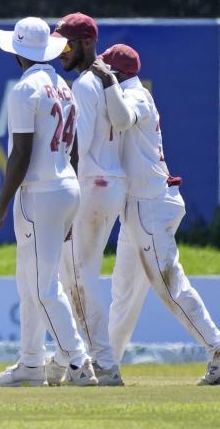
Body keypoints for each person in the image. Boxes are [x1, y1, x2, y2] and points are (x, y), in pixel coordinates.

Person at [92, 44, 220, 386]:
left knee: (168, 285)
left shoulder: (136, 95)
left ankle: (218, 348)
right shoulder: (126, 91)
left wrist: (105, 80)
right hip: (137, 206)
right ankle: (107, 364)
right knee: (124, 293)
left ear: (117, 74)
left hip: (149, 204)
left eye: (106, 69)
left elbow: (122, 118)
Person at [0, 17, 97, 387]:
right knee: (29, 280)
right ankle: (31, 364)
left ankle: (79, 363)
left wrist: (2, 205)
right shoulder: (62, 86)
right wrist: (69, 200)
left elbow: (20, 154)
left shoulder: (25, 90)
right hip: (65, 187)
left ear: (18, 52)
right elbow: (75, 149)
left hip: (41, 192)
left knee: (42, 286)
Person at [52, 13, 125, 386]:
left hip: (90, 186)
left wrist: (67, 198)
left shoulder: (83, 85)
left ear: (84, 44)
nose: (60, 51)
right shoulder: (105, 83)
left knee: (78, 279)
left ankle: (103, 363)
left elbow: (75, 148)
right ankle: (68, 358)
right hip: (110, 184)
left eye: (66, 43)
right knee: (79, 278)